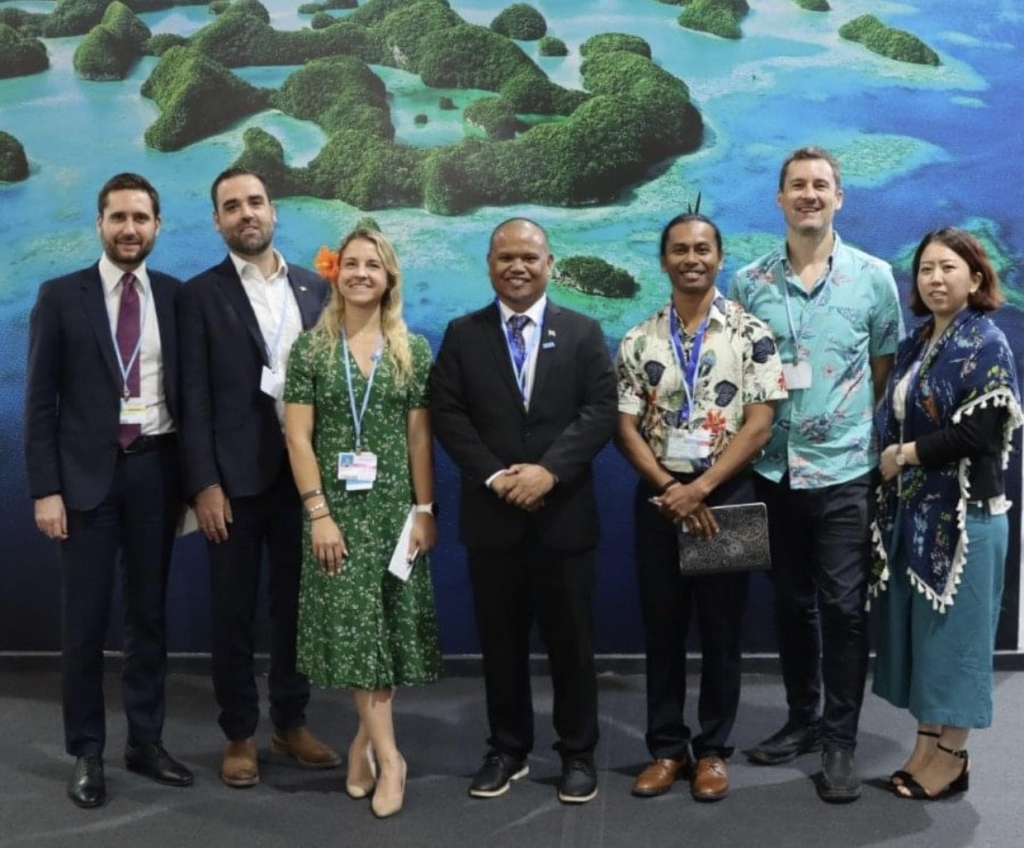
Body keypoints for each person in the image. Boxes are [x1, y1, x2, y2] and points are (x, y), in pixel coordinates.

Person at [730, 146, 902, 802]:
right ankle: (802, 719)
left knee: (843, 610)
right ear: (779, 199)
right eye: (797, 185)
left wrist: (841, 423)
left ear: (839, 198)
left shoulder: (874, 278)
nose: (809, 194)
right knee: (791, 604)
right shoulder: (749, 283)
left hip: (844, 474)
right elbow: (745, 375)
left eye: (821, 185)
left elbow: (881, 368)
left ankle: (840, 739)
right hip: (774, 471)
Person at [430, 218, 617, 804]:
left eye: (529, 257)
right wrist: (493, 474)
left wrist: (548, 471)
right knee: (501, 645)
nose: (517, 266)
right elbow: (448, 413)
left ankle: (578, 753)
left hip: (563, 519)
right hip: (494, 520)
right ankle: (507, 748)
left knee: (572, 645)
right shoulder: (463, 334)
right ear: (489, 264)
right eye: (505, 256)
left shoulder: (585, 332)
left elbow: (600, 411)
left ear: (549, 264)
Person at [24, 173, 193, 808]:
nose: (130, 229)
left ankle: (145, 742)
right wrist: (46, 490)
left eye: (141, 219)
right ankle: (87, 752)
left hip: (157, 473)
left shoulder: (177, 298)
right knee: (84, 625)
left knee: (149, 616)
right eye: (118, 218)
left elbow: (193, 397)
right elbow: (39, 404)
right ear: (99, 223)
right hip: (84, 482)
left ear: (157, 227)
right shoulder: (60, 296)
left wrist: (198, 483)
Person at [178, 167, 339, 788]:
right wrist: (204, 484)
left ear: (274, 212)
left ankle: (291, 723)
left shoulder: (314, 288)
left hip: (304, 483)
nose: (247, 213)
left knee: (295, 611)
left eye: (255, 202)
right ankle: (240, 733)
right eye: (231, 206)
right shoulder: (198, 296)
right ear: (216, 221)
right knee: (233, 613)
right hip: (233, 486)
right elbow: (191, 398)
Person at [616, 213, 786, 802]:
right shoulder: (639, 338)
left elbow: (760, 425)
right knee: (662, 631)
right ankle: (665, 749)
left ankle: (712, 750)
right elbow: (625, 426)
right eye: (680, 249)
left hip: (727, 496)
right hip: (660, 500)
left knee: (721, 632)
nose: (692, 258)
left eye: (703, 248)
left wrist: (703, 488)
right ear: (664, 260)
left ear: (719, 257)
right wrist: (672, 487)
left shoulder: (752, 333)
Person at [283, 228, 442, 818]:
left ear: (388, 277)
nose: (361, 274)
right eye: (351, 263)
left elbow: (420, 438)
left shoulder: (413, 350)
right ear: (335, 273)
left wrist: (425, 510)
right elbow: (297, 437)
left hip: (395, 513)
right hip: (336, 517)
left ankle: (362, 743)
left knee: (388, 633)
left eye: (373, 265)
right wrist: (318, 513)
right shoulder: (311, 350)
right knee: (356, 632)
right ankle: (392, 758)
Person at [871, 228, 1022, 799]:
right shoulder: (917, 343)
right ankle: (925, 746)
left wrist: (904, 455)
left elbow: (981, 428)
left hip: (967, 521)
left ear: (976, 279)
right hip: (919, 518)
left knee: (957, 643)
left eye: (949, 268)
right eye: (927, 269)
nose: (936, 279)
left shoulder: (987, 342)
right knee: (928, 639)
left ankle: (953, 758)